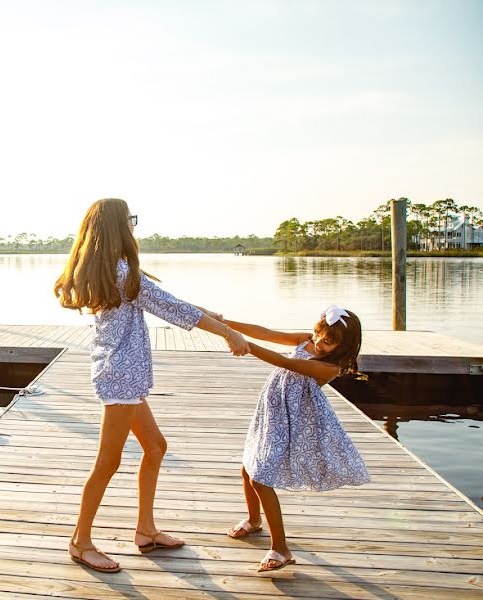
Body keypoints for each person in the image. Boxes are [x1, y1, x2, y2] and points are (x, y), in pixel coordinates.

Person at [53, 198, 250, 573]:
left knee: (156, 446)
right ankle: (80, 542)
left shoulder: (107, 270)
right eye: (131, 220)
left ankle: (145, 530)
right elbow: (171, 308)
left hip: (122, 374)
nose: (133, 226)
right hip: (122, 376)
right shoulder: (123, 272)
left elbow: (166, 302)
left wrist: (208, 314)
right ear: (118, 227)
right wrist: (228, 333)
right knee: (107, 463)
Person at [223, 305, 370, 572]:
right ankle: (254, 520)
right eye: (318, 334)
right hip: (271, 408)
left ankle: (281, 549)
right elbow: (267, 333)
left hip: (295, 418)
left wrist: (248, 347)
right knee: (248, 467)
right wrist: (226, 325)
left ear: (343, 346)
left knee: (260, 477)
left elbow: (287, 363)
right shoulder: (306, 339)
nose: (319, 342)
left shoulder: (330, 367)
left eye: (328, 342)